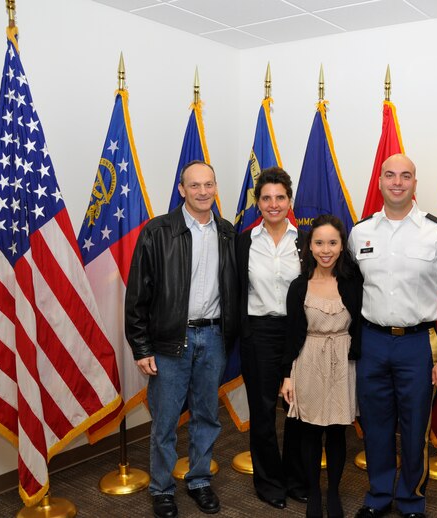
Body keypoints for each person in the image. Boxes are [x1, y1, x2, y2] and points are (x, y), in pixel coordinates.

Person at [348, 154, 437, 518]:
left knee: (416, 425)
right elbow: (350, 291)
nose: (397, 182)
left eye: (405, 176)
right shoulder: (361, 232)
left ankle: (412, 498)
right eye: (390, 175)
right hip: (372, 341)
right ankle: (379, 495)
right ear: (380, 181)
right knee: (375, 423)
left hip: (418, 343)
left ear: (415, 183)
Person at [125, 160, 239, 518]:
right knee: (165, 420)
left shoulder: (227, 233)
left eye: (209, 185)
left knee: (207, 415)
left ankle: (200, 480)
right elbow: (138, 294)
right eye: (195, 186)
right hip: (171, 341)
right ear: (181, 189)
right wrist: (141, 347)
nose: (203, 192)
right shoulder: (158, 232)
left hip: (214, 338)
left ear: (215, 187)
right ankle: (162, 488)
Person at [281, 214, 364, 518]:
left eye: (332, 242)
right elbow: (291, 334)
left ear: (342, 246)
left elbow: (362, 325)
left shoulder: (354, 282)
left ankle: (334, 493)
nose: (325, 249)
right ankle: (314, 492)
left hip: (344, 360)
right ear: (310, 246)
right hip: (308, 359)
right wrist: (287, 375)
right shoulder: (298, 286)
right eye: (319, 243)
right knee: (311, 432)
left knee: (337, 432)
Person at [237, 167, 307, 509]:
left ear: (290, 201)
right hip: (259, 333)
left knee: (297, 408)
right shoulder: (244, 241)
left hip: (299, 332)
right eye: (266, 197)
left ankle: (295, 479)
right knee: (263, 411)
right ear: (257, 202)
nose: (274, 204)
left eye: (280, 197)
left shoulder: (306, 240)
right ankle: (268, 481)